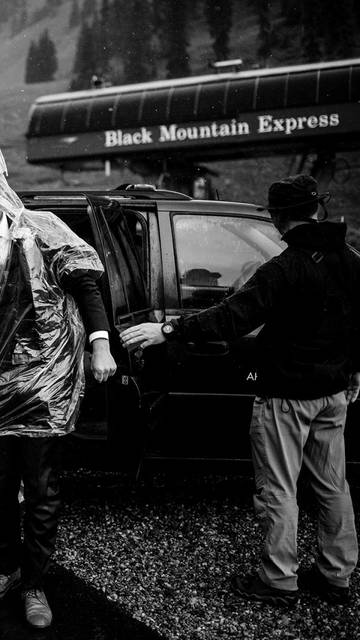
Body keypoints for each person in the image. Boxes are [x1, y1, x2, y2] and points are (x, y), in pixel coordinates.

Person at [120, 174, 359, 607]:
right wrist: (354, 368)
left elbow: (231, 318)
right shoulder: (349, 259)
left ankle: (278, 580)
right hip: (333, 392)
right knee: (333, 486)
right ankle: (336, 576)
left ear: (277, 217)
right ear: (315, 209)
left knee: (279, 490)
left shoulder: (282, 269)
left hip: (287, 396)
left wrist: (168, 328)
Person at [0, 169, 116, 629]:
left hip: (45, 381)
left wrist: (100, 344)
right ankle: (4, 568)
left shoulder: (41, 230)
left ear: (4, 203)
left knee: (40, 487)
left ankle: (34, 582)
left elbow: (87, 286)